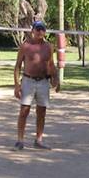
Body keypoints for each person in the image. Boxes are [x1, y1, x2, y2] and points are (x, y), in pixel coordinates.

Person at [13, 20, 60, 150]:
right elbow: (17, 66)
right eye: (37, 29)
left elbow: (51, 64)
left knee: (42, 111)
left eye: (42, 29)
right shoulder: (25, 46)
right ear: (32, 30)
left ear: (45, 32)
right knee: (24, 110)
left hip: (43, 82)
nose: (40, 32)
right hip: (28, 81)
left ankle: (39, 140)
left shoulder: (49, 47)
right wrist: (17, 85)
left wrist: (56, 80)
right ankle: (20, 141)